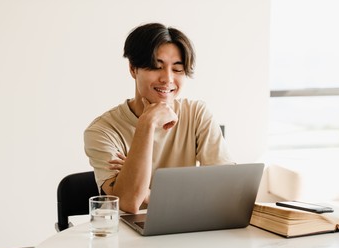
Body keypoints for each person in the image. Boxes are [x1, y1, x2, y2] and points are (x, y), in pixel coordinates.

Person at [84, 23, 234, 214]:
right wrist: (147, 124)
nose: (168, 79)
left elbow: (226, 189)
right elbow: (129, 203)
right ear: (133, 69)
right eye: (156, 67)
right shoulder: (102, 131)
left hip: (184, 227)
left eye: (178, 70)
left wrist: (147, 194)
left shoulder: (196, 113)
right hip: (126, 236)